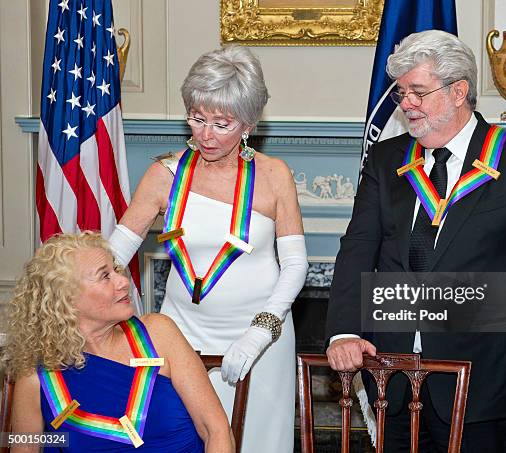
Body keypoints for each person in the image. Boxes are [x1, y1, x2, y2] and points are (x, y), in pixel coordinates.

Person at [325, 30, 506, 452]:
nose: (406, 102)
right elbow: (357, 248)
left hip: (480, 385)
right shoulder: (387, 159)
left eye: (417, 91)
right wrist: (342, 332)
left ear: (459, 90)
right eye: (401, 92)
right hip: (391, 383)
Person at [108, 46, 308, 452]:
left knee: (257, 442)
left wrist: (260, 332)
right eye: (197, 119)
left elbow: (295, 264)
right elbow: (114, 253)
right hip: (181, 336)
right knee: (183, 438)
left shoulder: (273, 176)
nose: (205, 134)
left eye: (222, 123)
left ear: (248, 124)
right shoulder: (163, 175)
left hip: (261, 337)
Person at [1, 232, 233, 452]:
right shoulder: (36, 375)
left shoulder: (159, 334)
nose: (123, 281)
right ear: (66, 299)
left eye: (116, 269)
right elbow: (24, 446)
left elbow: (217, 431)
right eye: (105, 276)